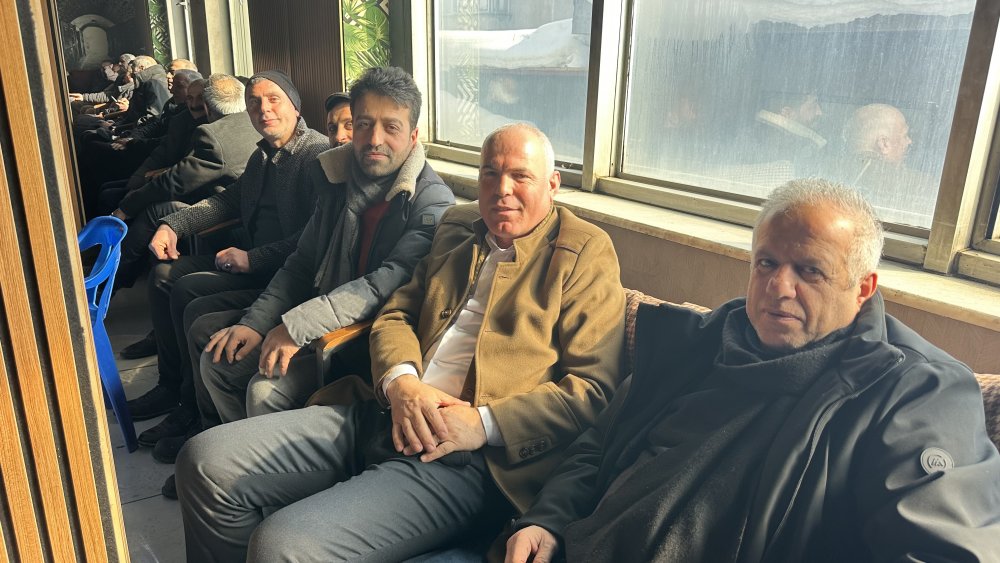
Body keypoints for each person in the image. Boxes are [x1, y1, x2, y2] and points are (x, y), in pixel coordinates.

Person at [175, 122, 627, 561]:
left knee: (281, 544)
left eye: (520, 176)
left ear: (553, 184)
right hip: (382, 411)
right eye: (490, 173)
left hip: (462, 457)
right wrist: (401, 383)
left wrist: (482, 423)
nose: (501, 189)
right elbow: (397, 314)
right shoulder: (458, 226)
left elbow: (594, 389)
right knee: (203, 461)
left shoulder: (584, 252)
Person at [506, 178, 1000, 563]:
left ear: (863, 288)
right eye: (766, 263)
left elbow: (944, 551)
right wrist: (547, 519)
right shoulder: (702, 342)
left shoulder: (918, 393)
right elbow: (600, 442)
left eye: (809, 270)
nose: (778, 287)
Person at [196, 66, 453, 426]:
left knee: (264, 391)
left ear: (413, 136)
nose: (374, 138)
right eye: (363, 124)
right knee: (219, 362)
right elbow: (301, 262)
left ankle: (264, 458)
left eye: (391, 127)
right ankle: (237, 451)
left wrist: (297, 326)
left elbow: (384, 283)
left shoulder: (431, 202)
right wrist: (256, 323)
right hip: (318, 313)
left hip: (367, 339)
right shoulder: (337, 177)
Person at [124, 70, 328, 445]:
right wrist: (172, 225)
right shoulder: (262, 155)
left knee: (190, 300)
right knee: (165, 275)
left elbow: (311, 240)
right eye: (254, 102)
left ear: (296, 108)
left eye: (274, 100)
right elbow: (226, 202)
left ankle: (193, 409)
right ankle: (173, 388)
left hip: (279, 274)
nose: (263, 109)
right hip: (251, 263)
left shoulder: (315, 155)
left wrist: (253, 258)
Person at [834, 103, 935, 223]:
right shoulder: (920, 185)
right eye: (905, 135)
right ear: (884, 144)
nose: (909, 141)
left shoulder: (828, 170)